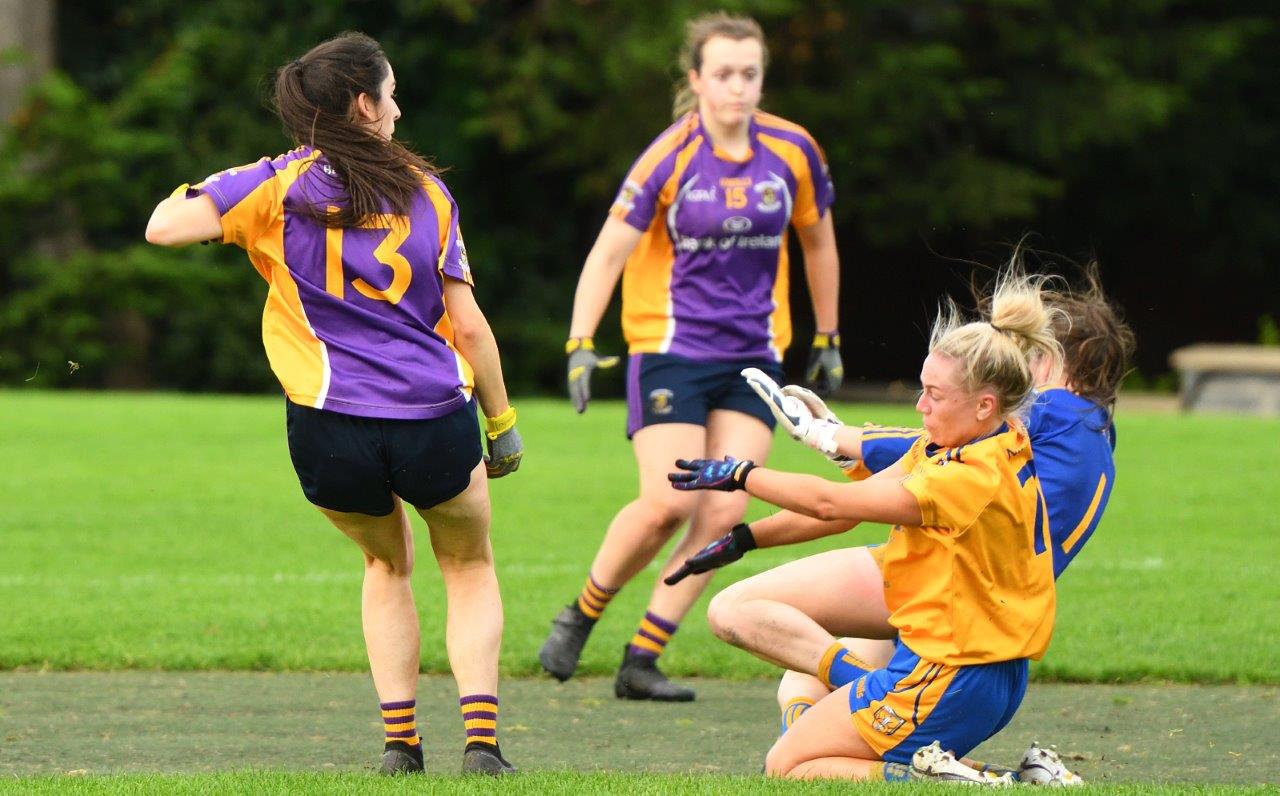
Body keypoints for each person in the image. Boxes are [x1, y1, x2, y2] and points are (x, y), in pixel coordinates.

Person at [144, 32, 520, 776]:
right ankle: (481, 744)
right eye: (390, 93)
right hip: (432, 417)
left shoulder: (277, 187)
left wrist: (252, 174)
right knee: (468, 565)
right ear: (362, 104)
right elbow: (469, 324)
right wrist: (502, 424)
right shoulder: (427, 190)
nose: (399, 106)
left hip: (326, 424)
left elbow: (163, 225)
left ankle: (400, 746)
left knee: (387, 569)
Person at [669, 266, 1132, 782]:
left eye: (934, 394)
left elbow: (827, 504)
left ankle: (956, 774)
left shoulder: (972, 468)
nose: (920, 405)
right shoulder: (973, 445)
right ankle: (1006, 778)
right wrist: (746, 537)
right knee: (797, 684)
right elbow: (849, 507)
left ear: (988, 403)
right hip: (981, 655)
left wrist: (744, 474)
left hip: (953, 664)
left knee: (788, 767)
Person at [538, 11, 843, 702]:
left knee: (724, 511)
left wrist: (826, 336)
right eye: (724, 74)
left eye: (750, 74)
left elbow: (818, 242)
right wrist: (581, 341)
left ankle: (641, 659)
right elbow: (609, 251)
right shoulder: (671, 155)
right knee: (664, 503)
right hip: (671, 350)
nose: (738, 88)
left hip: (755, 358)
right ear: (697, 79)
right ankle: (581, 614)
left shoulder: (793, 152)